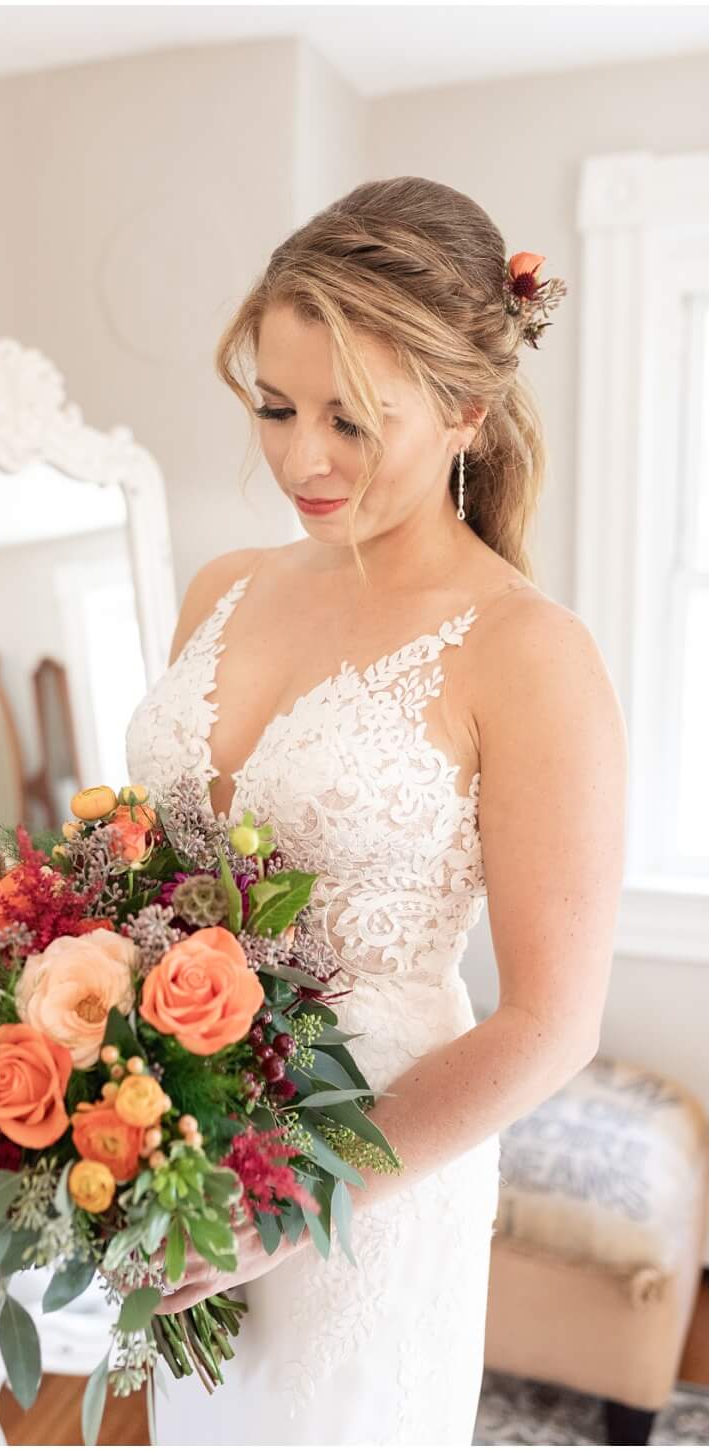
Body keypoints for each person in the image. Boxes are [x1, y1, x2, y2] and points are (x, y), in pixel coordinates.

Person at [122, 176, 624, 1444]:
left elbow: (553, 1023)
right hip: (185, 1148)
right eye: (278, 407)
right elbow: (141, 878)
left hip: (369, 1196)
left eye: (352, 421)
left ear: (466, 407)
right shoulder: (224, 586)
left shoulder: (529, 652)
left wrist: (289, 1192)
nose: (301, 459)